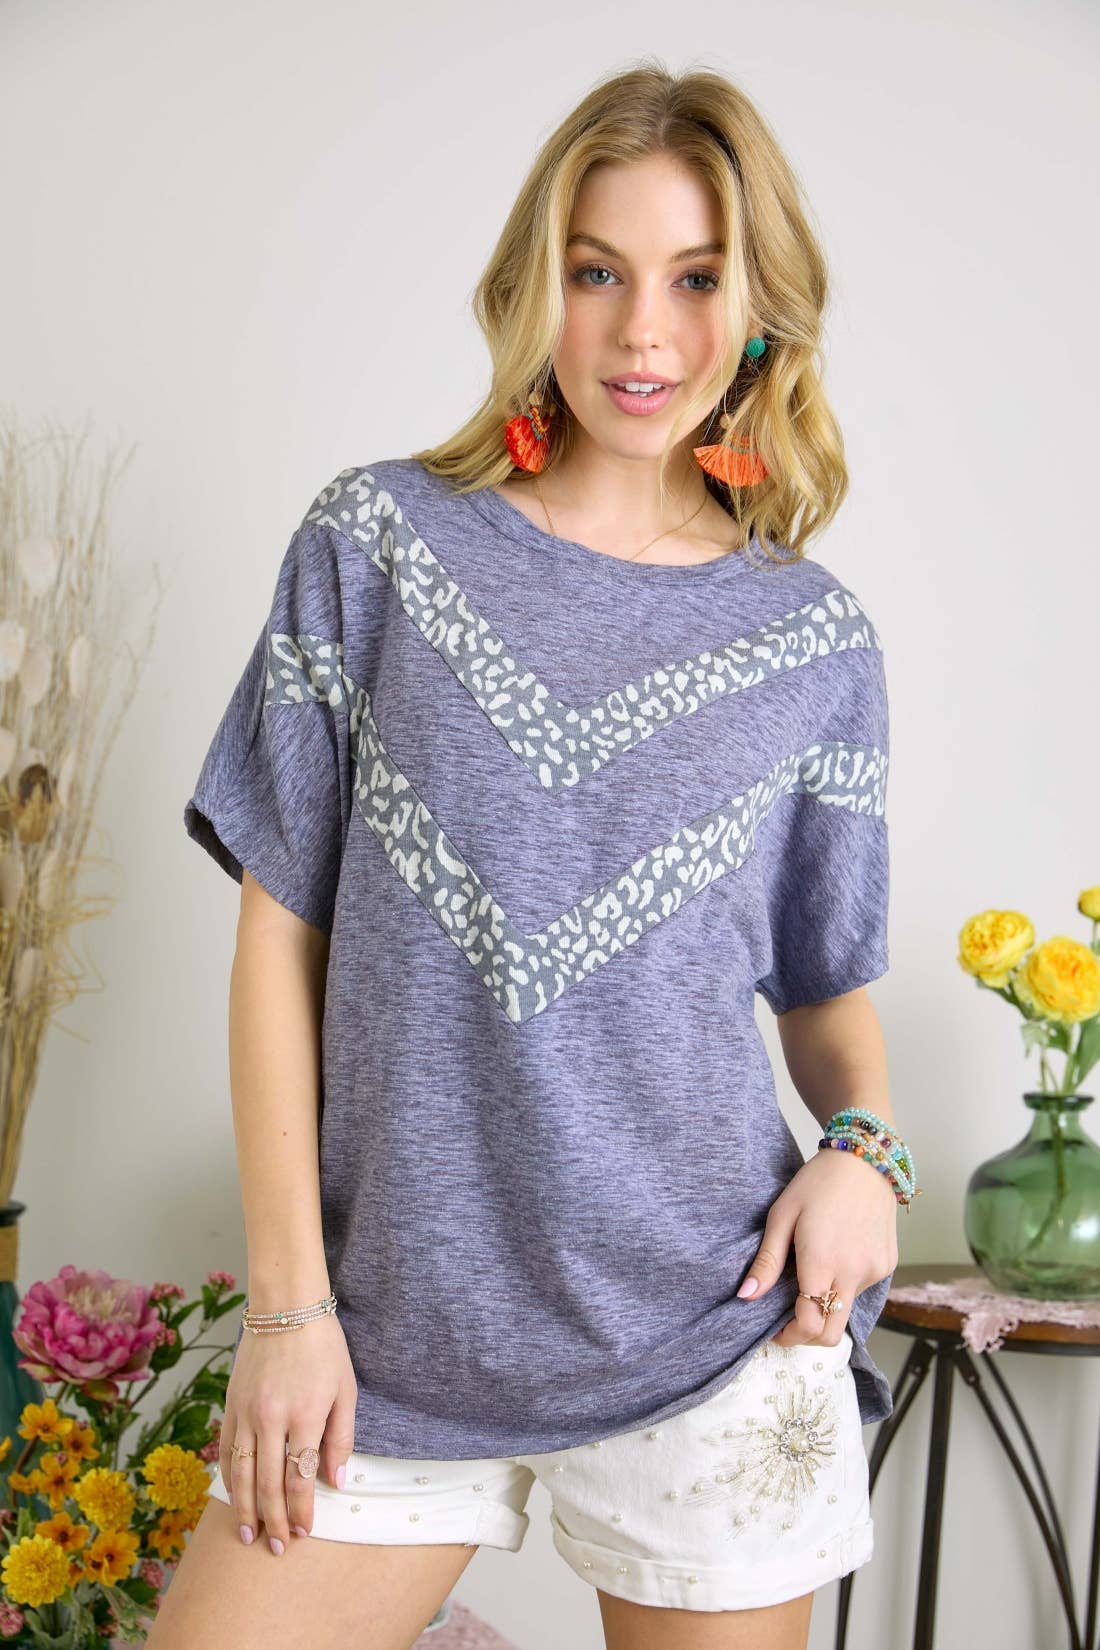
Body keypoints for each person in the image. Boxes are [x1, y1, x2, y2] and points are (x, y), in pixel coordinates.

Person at [152, 55, 918, 1650]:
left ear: (759, 310)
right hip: (385, 1334)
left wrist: (866, 1149)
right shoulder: (378, 547)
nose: (645, 333)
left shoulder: (812, 639)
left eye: (696, 278)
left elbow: (826, 992)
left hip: (712, 1334)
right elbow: (278, 937)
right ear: (532, 288)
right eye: (598, 271)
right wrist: (286, 1307)